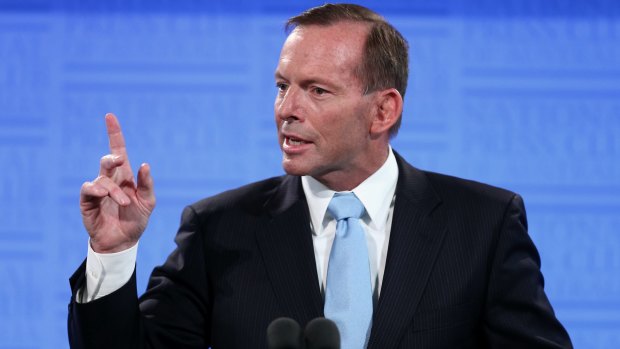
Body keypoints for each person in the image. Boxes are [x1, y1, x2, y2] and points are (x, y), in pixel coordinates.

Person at [68, 3, 573, 348]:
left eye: (317, 91)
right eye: (282, 86)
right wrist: (112, 253)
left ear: (383, 111)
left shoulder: (482, 224)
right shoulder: (218, 228)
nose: (286, 109)